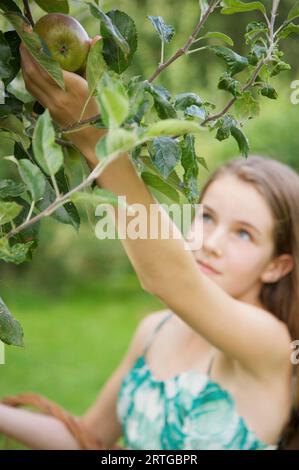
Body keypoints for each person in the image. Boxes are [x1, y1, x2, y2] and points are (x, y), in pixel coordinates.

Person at [0, 36, 298, 450]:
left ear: (277, 265)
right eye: (207, 217)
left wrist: (95, 136)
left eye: (244, 233)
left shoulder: (271, 344)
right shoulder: (154, 332)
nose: (210, 242)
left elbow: (168, 278)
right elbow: (92, 442)